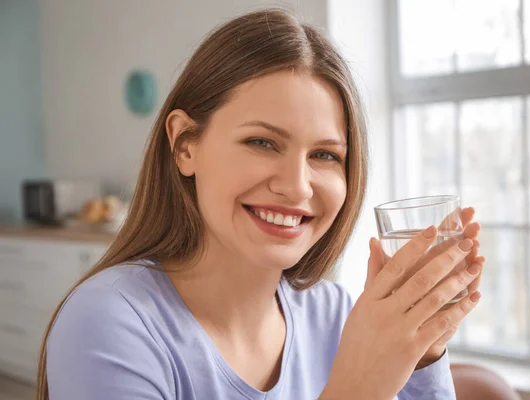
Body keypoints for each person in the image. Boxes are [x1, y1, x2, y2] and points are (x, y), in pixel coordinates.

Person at [37, 8, 484, 400]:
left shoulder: (332, 314)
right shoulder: (107, 322)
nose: (297, 186)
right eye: (262, 142)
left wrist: (424, 352)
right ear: (185, 146)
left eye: (325, 155)